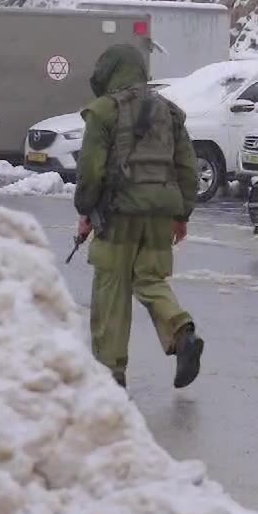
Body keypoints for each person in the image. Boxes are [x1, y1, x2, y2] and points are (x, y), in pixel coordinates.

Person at [74, 43, 204, 390]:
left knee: (112, 291)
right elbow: (186, 168)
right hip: (161, 214)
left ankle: (109, 376)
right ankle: (181, 333)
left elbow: (91, 170)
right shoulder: (170, 112)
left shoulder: (104, 112)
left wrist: (86, 210)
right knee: (150, 280)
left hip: (118, 215)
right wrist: (182, 213)